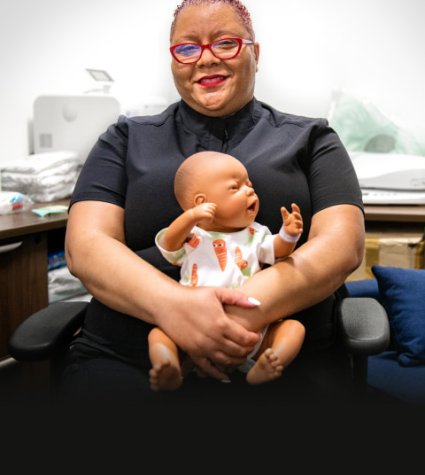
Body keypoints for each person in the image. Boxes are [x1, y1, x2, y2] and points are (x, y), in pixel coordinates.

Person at [63, 0, 365, 406]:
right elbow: (85, 247)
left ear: (255, 53)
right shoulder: (125, 139)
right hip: (131, 357)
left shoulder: (312, 139)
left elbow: (342, 246)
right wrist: (175, 309)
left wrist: (244, 314)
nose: (205, 60)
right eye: (187, 48)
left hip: (276, 358)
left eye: (225, 43)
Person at [149, 150, 305, 390]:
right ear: (201, 203)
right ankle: (169, 364)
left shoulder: (255, 234)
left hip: (251, 331)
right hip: (191, 326)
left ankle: (266, 364)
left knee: (293, 329)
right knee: (159, 335)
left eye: (250, 185)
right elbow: (169, 245)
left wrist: (288, 235)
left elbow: (278, 250)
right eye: (235, 187)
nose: (250, 191)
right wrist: (189, 218)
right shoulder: (193, 237)